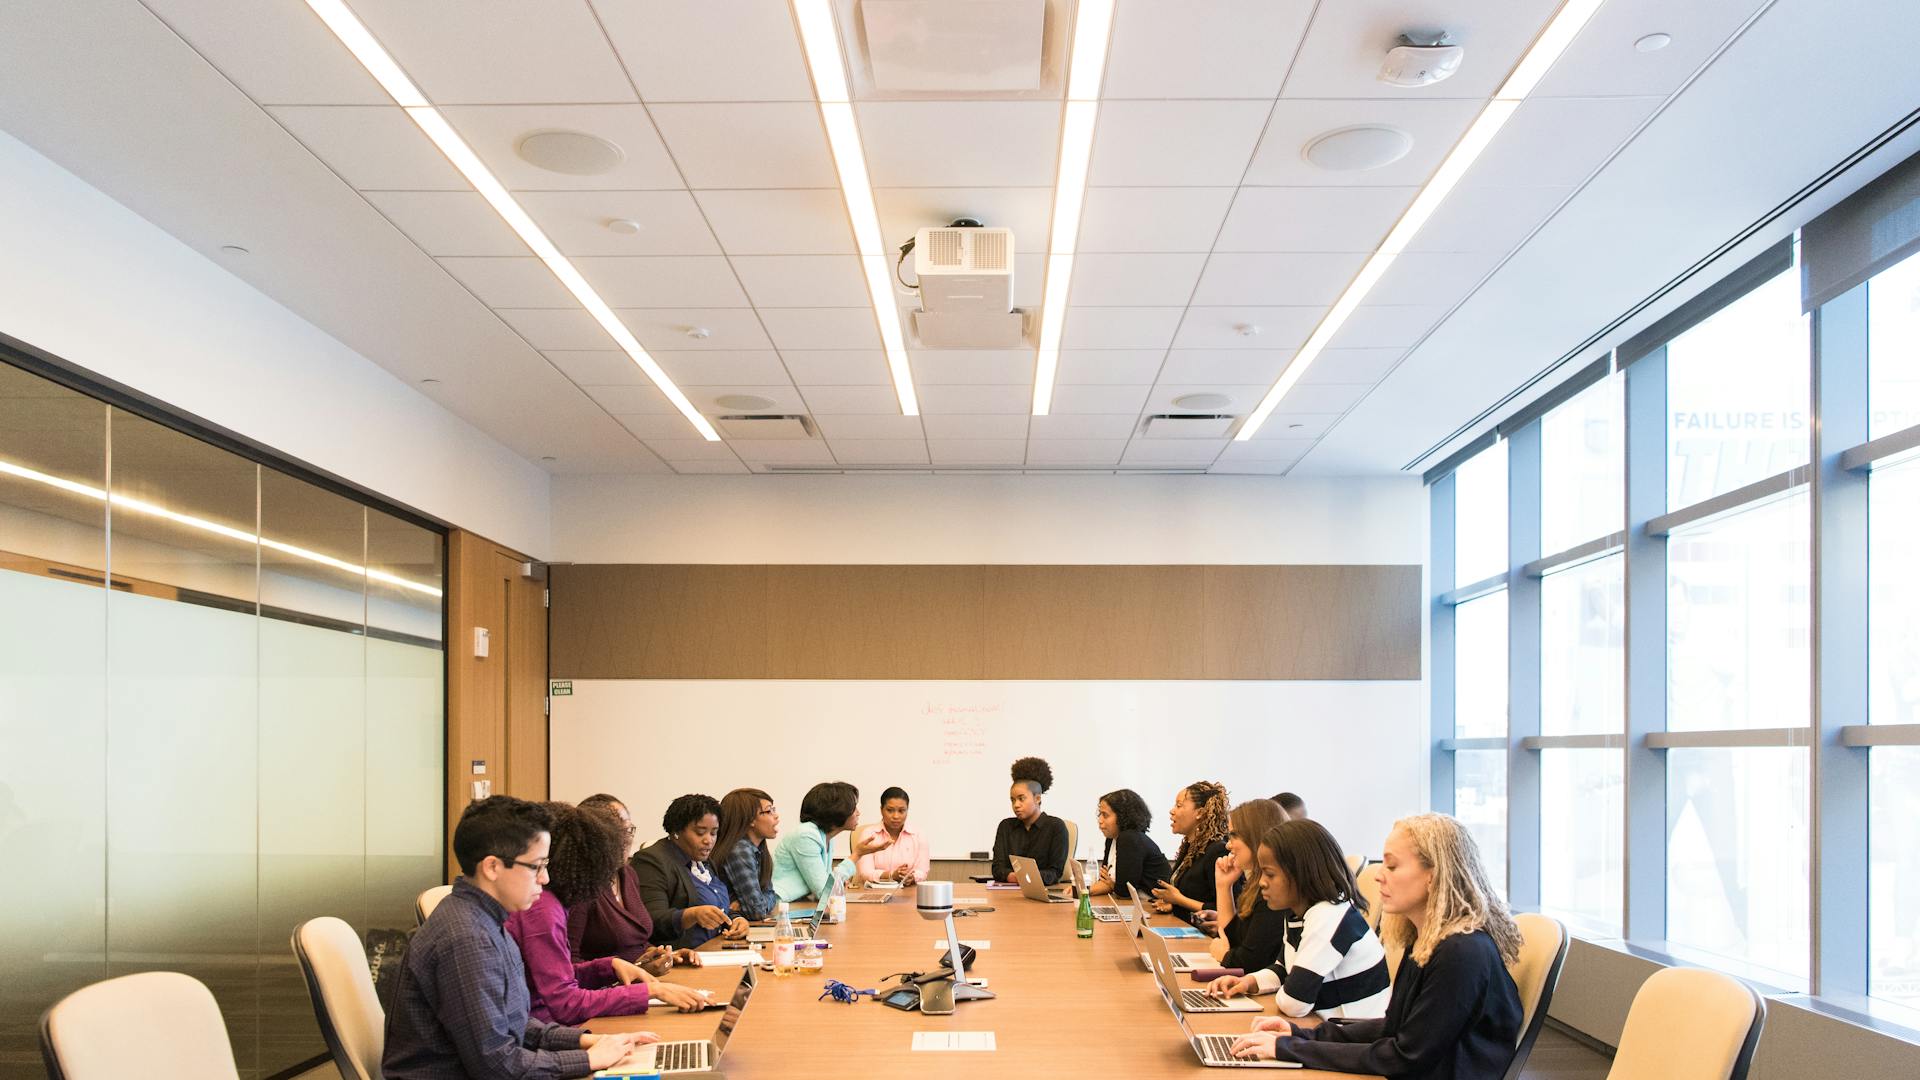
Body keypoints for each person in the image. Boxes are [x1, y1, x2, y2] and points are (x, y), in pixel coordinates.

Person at [1227, 813, 1523, 1077]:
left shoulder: (1461, 953)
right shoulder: (1427, 939)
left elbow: (1405, 1056)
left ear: (1433, 876)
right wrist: (1300, 1036)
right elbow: (1394, 1028)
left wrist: (1290, 1048)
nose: (1380, 875)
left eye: (1392, 866)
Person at [382, 796, 653, 1080]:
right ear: (492, 867)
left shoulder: (487, 919)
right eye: (536, 866)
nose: (545, 878)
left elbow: (515, 1023)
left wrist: (588, 1041)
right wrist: (587, 1059)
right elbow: (498, 1066)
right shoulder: (468, 939)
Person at [506, 802, 707, 1024]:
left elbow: (560, 974)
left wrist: (609, 966)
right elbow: (565, 1003)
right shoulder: (543, 909)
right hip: (549, 1028)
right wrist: (652, 991)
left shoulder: (552, 902)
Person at [1206, 818, 1391, 1018]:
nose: (1261, 882)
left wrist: (1287, 989)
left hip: (1350, 1031)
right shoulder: (1298, 913)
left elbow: (1294, 1003)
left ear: (1302, 874)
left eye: (1270, 874)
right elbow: (1283, 968)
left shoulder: (1328, 916)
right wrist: (1249, 982)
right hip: (1325, 1027)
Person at [568, 794, 698, 973]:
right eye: (618, 830)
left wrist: (659, 955)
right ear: (593, 835)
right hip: (607, 987)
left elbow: (636, 942)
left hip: (639, 980)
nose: (627, 838)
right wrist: (623, 972)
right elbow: (569, 963)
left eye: (629, 829)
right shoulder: (580, 885)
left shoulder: (627, 874)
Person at [631, 794, 751, 949]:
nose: (708, 840)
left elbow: (717, 906)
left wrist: (735, 920)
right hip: (679, 956)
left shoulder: (704, 862)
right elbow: (651, 920)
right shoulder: (651, 861)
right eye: (700, 832)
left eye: (713, 833)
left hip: (715, 949)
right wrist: (691, 915)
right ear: (676, 831)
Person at [771, 781, 894, 901]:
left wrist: (839, 880)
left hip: (802, 903)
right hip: (782, 905)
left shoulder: (826, 836)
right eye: (853, 808)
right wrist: (857, 854)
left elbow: (828, 884)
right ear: (837, 810)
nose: (858, 813)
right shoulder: (805, 835)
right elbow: (824, 892)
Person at [1206, 798, 1290, 969]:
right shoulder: (1255, 884)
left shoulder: (1275, 891)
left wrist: (1225, 955)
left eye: (1234, 836)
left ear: (1255, 837)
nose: (1228, 845)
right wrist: (1223, 886)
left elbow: (1248, 962)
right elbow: (1231, 939)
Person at [1152, 780, 1230, 921]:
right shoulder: (1191, 846)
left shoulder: (1217, 851)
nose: (1172, 811)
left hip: (1203, 931)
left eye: (1179, 805)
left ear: (1200, 813)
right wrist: (1173, 904)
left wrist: (1178, 900)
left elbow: (1224, 909)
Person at [990, 756, 1069, 884]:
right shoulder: (1006, 826)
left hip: (1043, 891)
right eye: (1013, 800)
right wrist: (1012, 876)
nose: (1016, 805)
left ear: (1037, 798)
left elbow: (1055, 872)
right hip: (1009, 890)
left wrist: (1025, 877)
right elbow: (997, 868)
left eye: (1021, 799)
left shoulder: (1056, 827)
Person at [1085, 788, 1171, 901]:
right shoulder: (1112, 838)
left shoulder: (1130, 838)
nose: (1100, 820)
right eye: (1099, 814)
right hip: (1135, 903)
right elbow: (1105, 882)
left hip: (1152, 904)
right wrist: (1082, 891)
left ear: (1122, 816)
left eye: (1105, 815)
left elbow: (1124, 892)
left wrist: (1112, 885)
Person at [714, 788, 782, 920]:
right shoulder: (739, 850)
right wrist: (760, 902)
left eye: (774, 809)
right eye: (769, 811)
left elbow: (770, 893)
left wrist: (755, 902)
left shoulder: (758, 849)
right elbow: (757, 911)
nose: (776, 816)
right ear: (750, 819)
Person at [854, 786, 932, 887]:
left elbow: (922, 871)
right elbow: (865, 873)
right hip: (875, 891)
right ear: (881, 810)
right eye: (890, 810)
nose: (896, 816)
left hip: (908, 891)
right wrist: (891, 875)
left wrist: (911, 877)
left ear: (907, 810)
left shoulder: (918, 835)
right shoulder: (869, 834)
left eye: (901, 811)